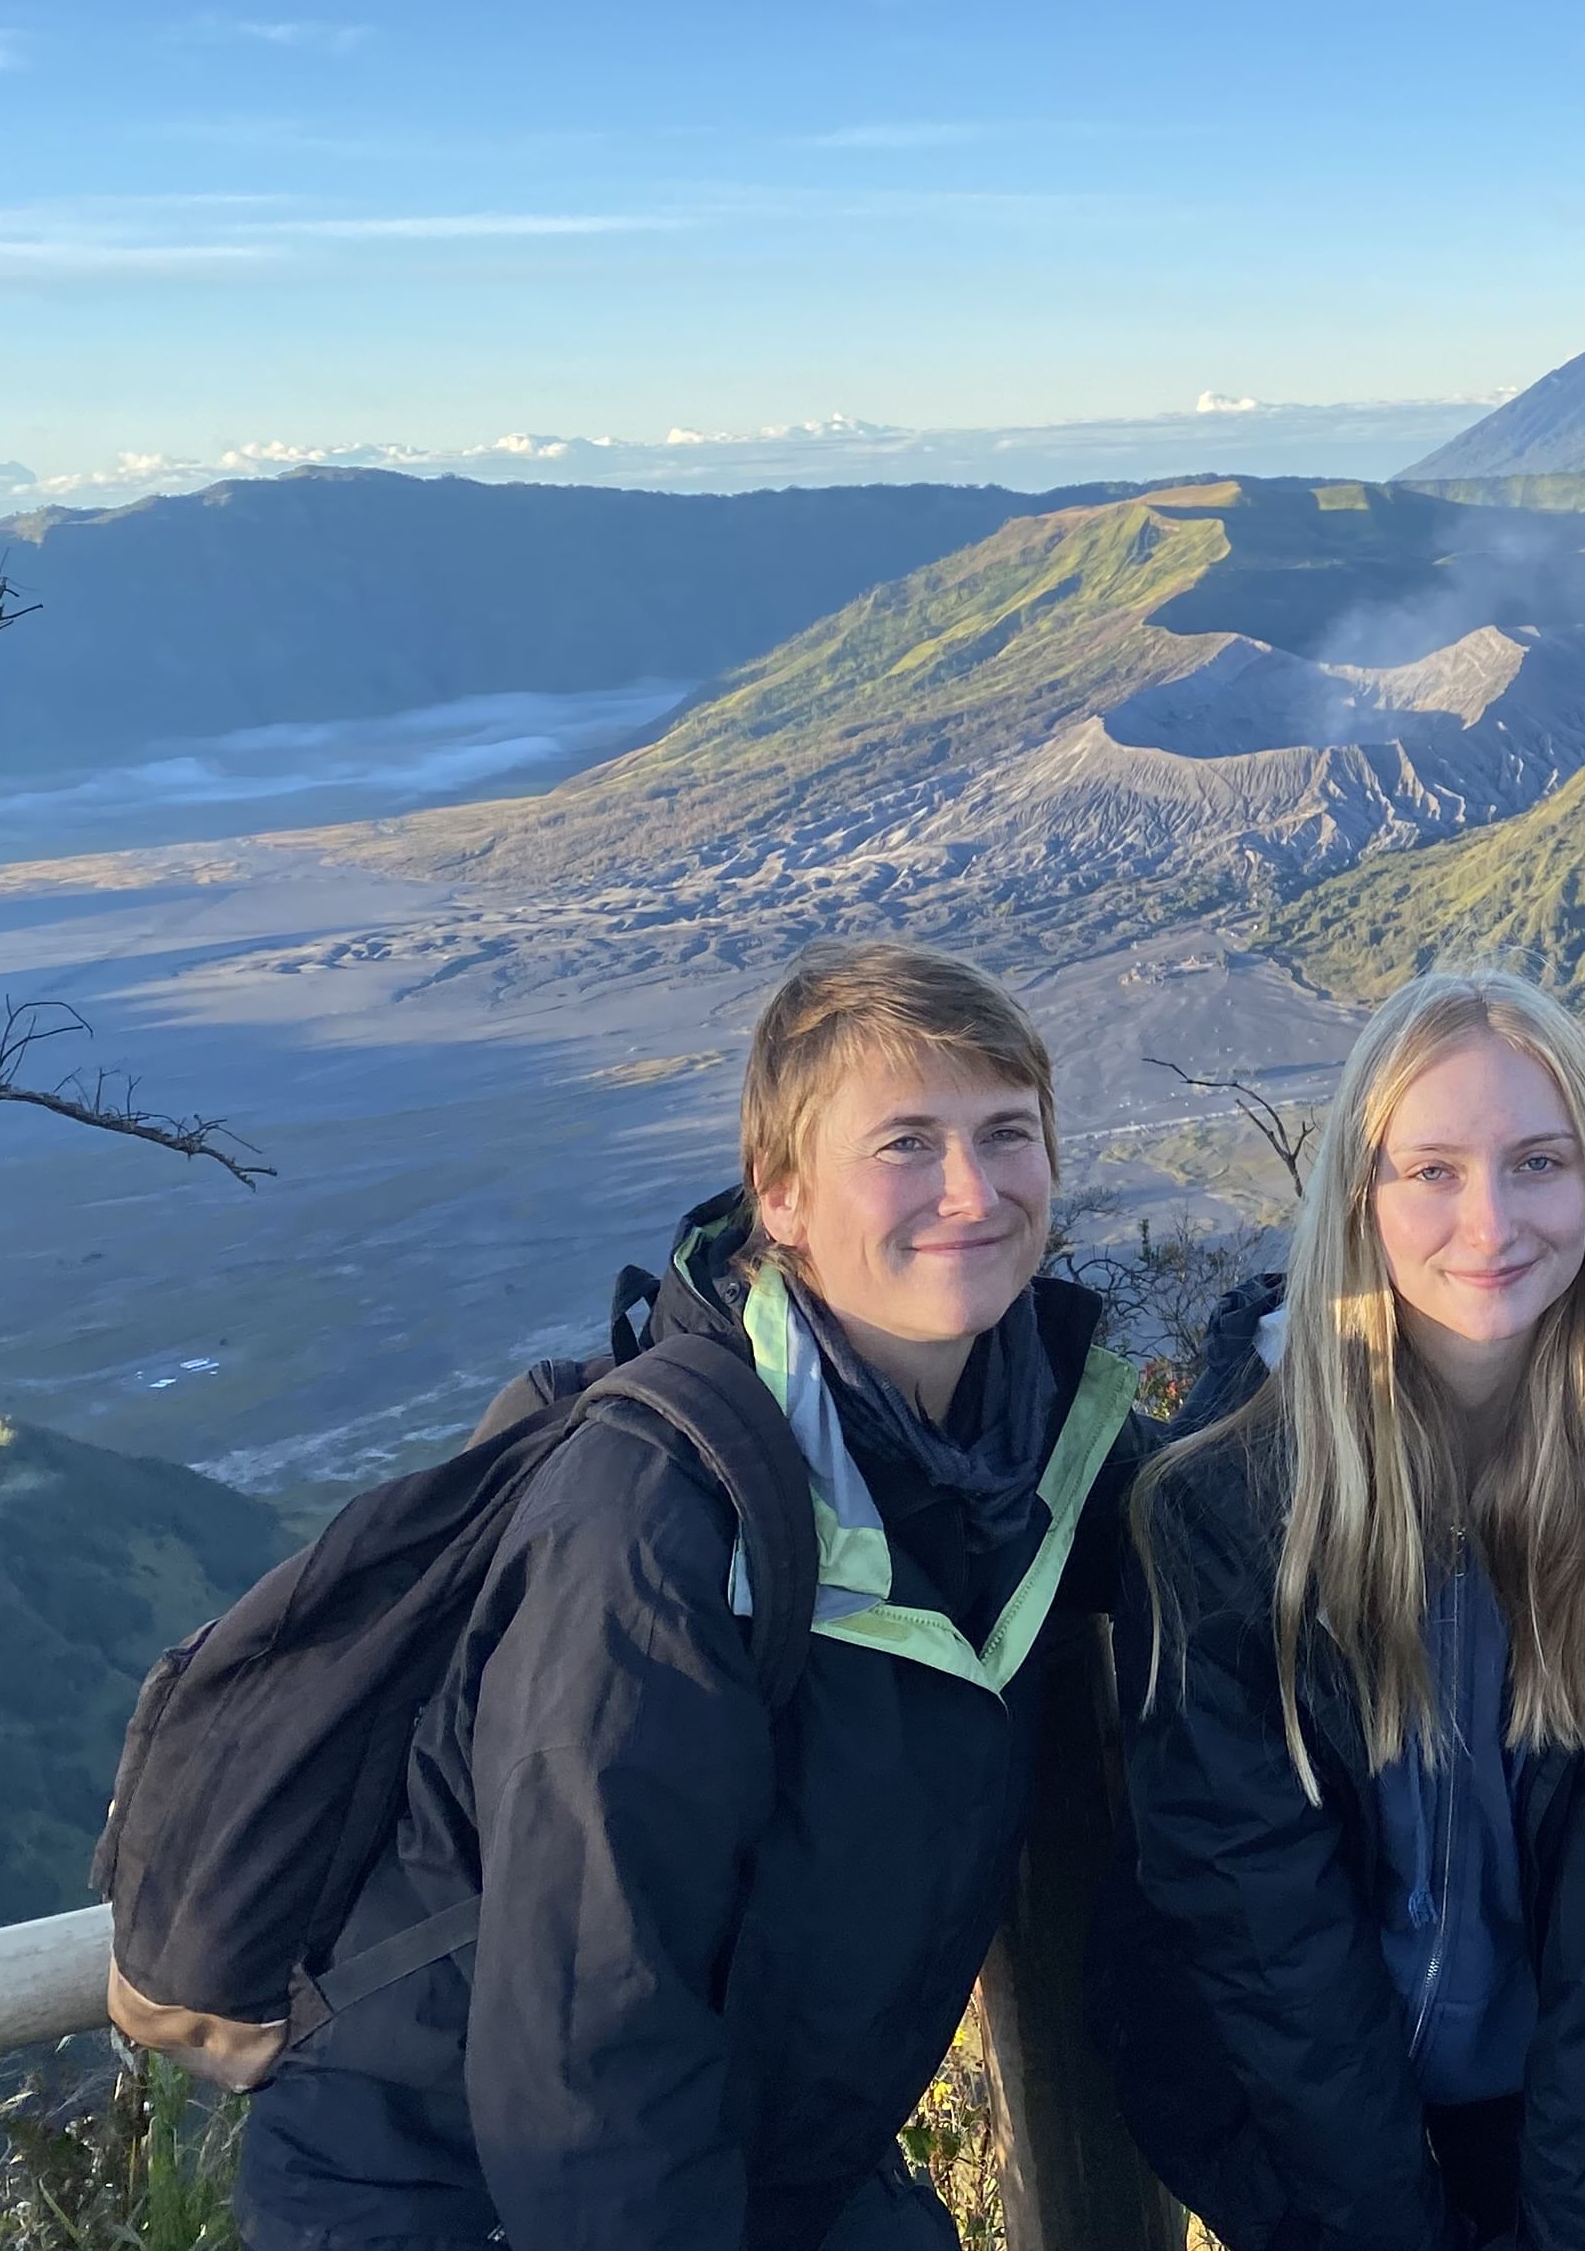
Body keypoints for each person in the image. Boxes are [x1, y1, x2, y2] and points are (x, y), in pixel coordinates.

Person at [236, 941, 1151, 2251]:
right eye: (905, 1143)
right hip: (466, 2192)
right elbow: (588, 2049)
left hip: (770, 2148)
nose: (972, 1187)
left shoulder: (1021, 1433)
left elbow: (1226, 1531)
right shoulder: (657, 1517)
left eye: (1006, 1132)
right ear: (782, 1197)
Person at [1099, 971, 1585, 2251]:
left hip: (1548, 2091)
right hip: (1292, 2118)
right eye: (1433, 1170)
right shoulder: (1229, 1498)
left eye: (1538, 1163)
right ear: (1363, 1197)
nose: (1489, 1221)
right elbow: (1260, 1922)